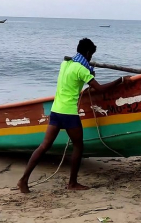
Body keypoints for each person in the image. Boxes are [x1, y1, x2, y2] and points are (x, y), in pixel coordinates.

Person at [18, 38, 130, 193]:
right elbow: (101, 89)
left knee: (44, 146)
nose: (91, 59)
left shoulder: (65, 64)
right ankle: (72, 183)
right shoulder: (82, 70)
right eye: (91, 56)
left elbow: (78, 76)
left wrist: (89, 72)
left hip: (56, 111)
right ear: (88, 53)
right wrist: (121, 80)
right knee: (78, 146)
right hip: (69, 113)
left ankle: (23, 180)